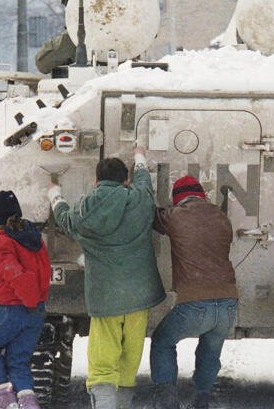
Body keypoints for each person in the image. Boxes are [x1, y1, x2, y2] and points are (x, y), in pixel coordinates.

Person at [48, 146, 166, 409]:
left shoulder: (87, 208)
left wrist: (55, 196)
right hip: (139, 296)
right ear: (126, 180)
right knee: (130, 358)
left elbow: (66, 220)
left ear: (96, 181)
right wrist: (139, 156)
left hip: (105, 297)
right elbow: (145, 182)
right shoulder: (139, 199)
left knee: (103, 361)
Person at [150, 175, 239, 409]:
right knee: (210, 351)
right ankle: (201, 400)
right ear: (202, 195)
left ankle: (167, 401)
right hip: (229, 302)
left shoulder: (176, 216)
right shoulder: (221, 217)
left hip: (195, 303)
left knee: (162, 341)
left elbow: (151, 217)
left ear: (177, 199)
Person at [0, 190, 52, 409]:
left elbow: (15, 274)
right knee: (18, 361)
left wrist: (28, 300)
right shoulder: (34, 237)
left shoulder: (4, 242)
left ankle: (6, 398)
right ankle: (28, 404)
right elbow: (44, 271)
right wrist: (35, 303)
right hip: (36, 311)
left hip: (13, 308)